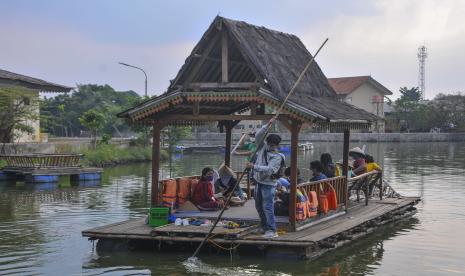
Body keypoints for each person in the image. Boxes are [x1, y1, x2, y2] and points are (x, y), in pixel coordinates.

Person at [245, 117, 283, 239]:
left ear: (277, 145)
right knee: (258, 205)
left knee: (268, 207)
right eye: (269, 144)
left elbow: (270, 170)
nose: (270, 146)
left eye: (273, 145)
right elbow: (258, 136)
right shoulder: (262, 147)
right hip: (259, 182)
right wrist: (268, 125)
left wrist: (254, 166)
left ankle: (272, 230)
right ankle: (264, 226)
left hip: (269, 184)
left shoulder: (278, 157)